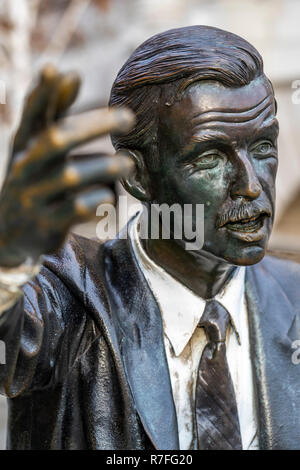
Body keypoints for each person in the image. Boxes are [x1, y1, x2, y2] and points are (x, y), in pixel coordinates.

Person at [0, 25, 299, 450]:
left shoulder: (295, 297)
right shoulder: (70, 297)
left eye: (264, 146)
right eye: (211, 157)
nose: (251, 185)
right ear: (138, 176)